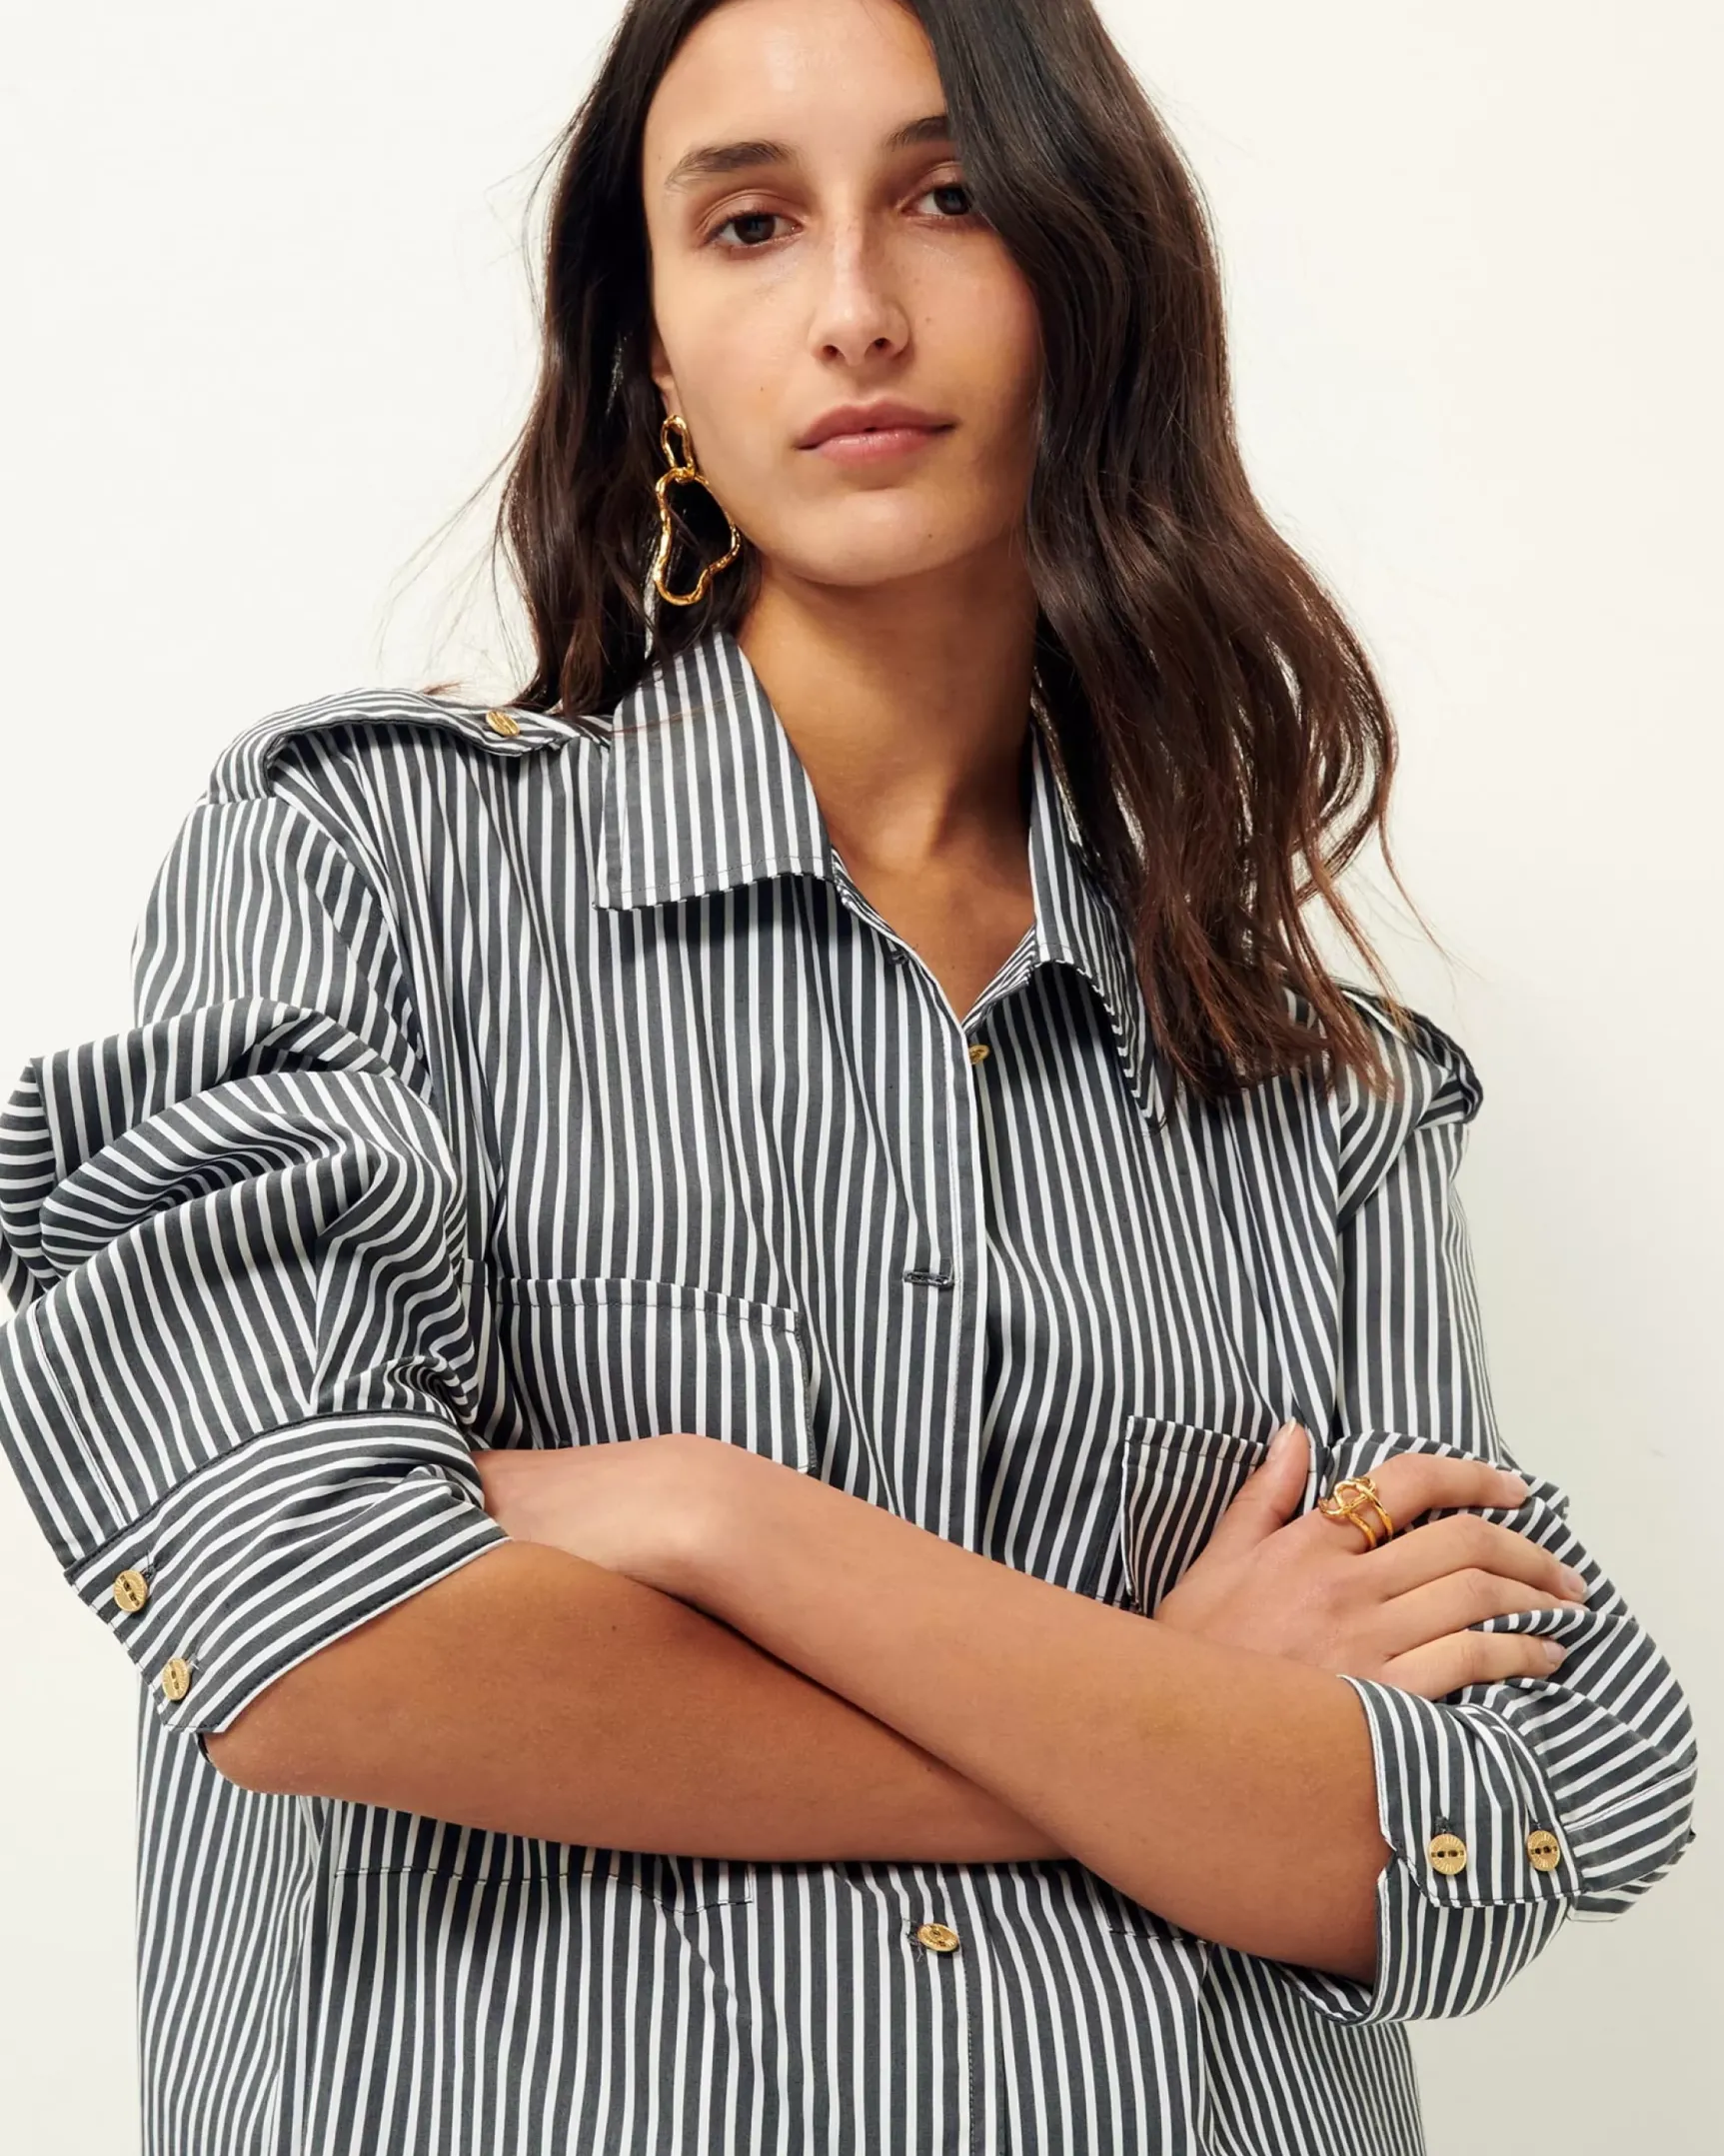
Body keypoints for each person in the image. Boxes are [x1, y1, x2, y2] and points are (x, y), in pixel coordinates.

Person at [0, 1, 1697, 2151]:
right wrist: (1179, 1723)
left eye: (950, 197)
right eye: (747, 225)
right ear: (652, 361)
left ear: (1091, 281)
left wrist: (723, 1519)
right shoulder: (368, 867)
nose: (855, 310)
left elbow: (1502, 1820)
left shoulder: (1315, 1090)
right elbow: (304, 1630)